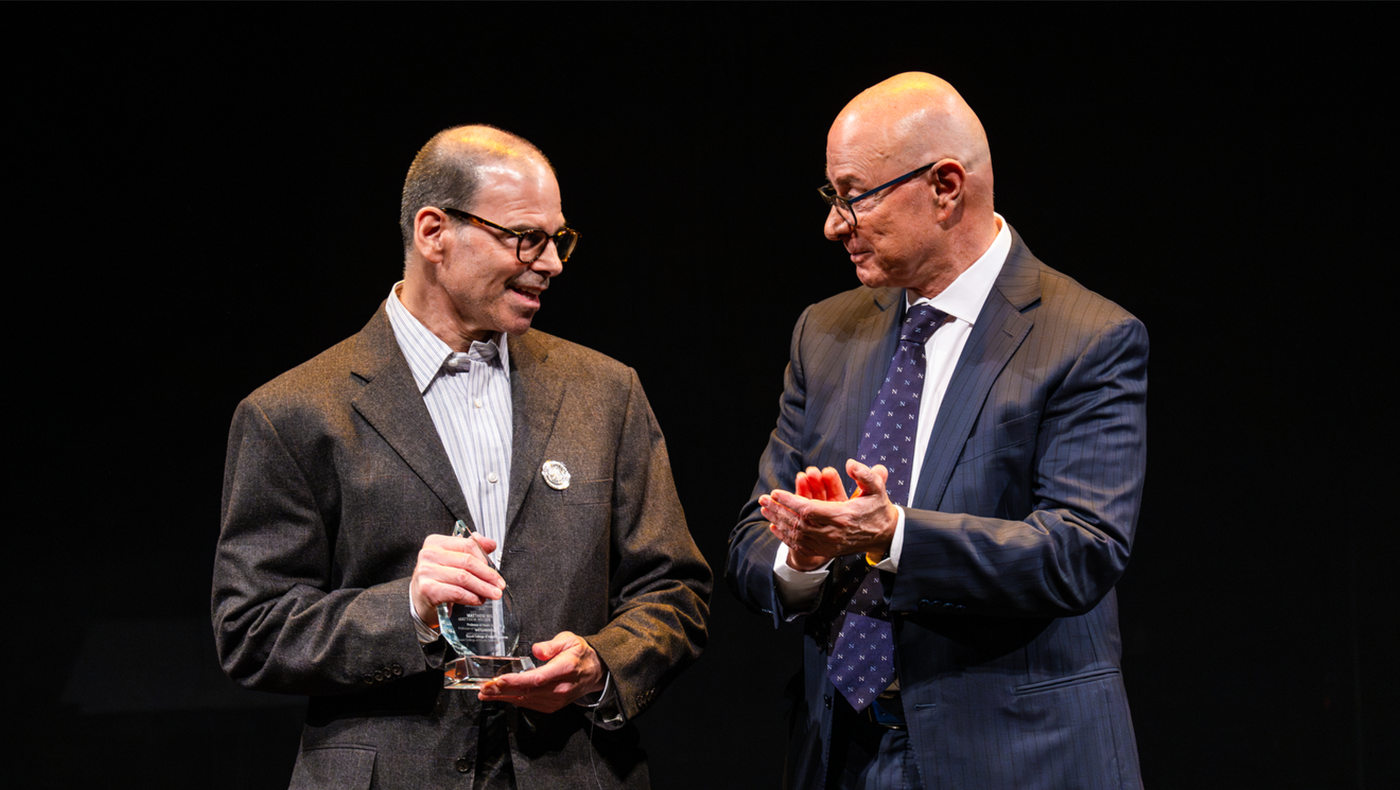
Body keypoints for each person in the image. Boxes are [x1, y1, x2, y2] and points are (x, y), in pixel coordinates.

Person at [213, 125, 711, 789]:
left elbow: (675, 591)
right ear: (433, 233)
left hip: (571, 769)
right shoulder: (293, 412)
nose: (552, 263)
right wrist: (408, 608)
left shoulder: (604, 393)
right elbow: (251, 629)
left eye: (558, 239)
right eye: (525, 237)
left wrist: (599, 663)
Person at [727, 73, 1147, 789]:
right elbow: (752, 539)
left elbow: (1080, 549)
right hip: (843, 755)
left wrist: (892, 536)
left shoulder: (1087, 338)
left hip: (1016, 759)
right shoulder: (824, 333)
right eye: (832, 197)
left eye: (854, 196)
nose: (834, 224)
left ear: (945, 187)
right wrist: (804, 555)